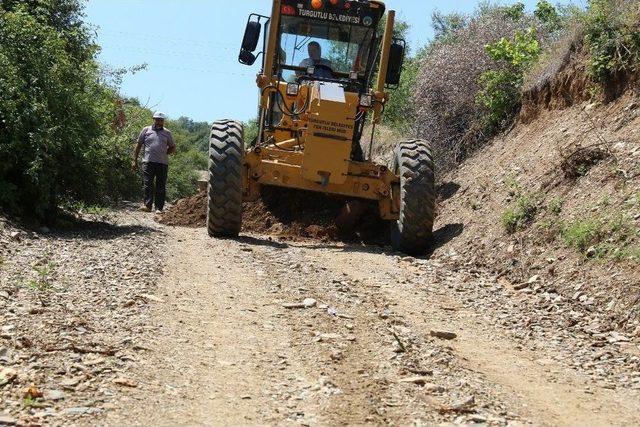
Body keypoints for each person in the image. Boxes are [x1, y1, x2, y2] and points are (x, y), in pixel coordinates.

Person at [132, 112, 176, 214]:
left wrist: (164, 153)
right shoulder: (146, 130)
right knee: (147, 184)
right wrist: (134, 160)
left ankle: (158, 208)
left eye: (161, 120)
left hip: (162, 163)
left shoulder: (167, 133)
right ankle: (147, 206)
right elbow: (138, 145)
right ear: (153, 119)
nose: (159, 122)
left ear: (163, 121)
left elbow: (173, 147)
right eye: (157, 119)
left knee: (161, 185)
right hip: (148, 162)